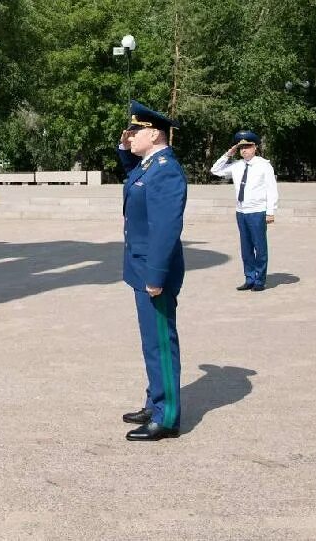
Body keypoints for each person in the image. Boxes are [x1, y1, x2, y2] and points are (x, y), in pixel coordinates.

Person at [117, 101, 187, 441]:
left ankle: (167, 417)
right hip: (141, 268)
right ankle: (155, 400)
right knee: (150, 344)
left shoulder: (167, 171)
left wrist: (156, 276)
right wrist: (124, 147)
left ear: (155, 133)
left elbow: (166, 228)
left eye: (135, 131)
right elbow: (133, 177)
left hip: (153, 274)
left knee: (160, 343)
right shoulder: (149, 166)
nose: (130, 135)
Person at [210, 131, 278, 292]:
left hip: (257, 211)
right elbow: (215, 170)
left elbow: (271, 189)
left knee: (259, 247)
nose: (244, 150)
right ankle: (249, 278)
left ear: (255, 147)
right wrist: (228, 153)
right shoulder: (237, 165)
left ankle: (260, 280)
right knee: (246, 248)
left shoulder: (264, 165)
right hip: (241, 211)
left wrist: (270, 211)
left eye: (247, 146)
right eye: (241, 148)